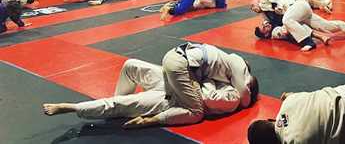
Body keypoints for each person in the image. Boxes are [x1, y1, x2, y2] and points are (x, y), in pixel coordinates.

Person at [42, 51, 255, 128]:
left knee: (121, 104)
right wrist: (200, 78)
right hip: (173, 79)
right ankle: (117, 108)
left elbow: (207, 101)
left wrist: (202, 83)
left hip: (174, 99)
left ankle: (73, 107)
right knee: (131, 65)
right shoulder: (220, 70)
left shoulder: (233, 96)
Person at [254, 0, 345, 51]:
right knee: (326, 26)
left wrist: (277, 6)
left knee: (286, 20)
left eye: (253, 6)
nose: (253, 9)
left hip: (298, 6)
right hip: (302, 9)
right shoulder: (268, 12)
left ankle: (309, 42)